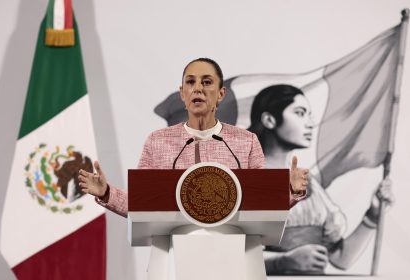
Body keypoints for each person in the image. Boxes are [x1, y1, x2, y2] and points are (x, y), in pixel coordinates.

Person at [78, 58, 309, 217]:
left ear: (220, 94)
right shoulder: (158, 141)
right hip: (176, 255)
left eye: (206, 82)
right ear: (182, 93)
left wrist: (292, 192)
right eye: (190, 82)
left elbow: (263, 205)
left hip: (234, 256)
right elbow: (141, 203)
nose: (197, 88)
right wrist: (107, 193)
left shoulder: (246, 141)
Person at [248, 84, 394, 274]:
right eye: (300, 113)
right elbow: (230, 259)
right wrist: (282, 261)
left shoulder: (306, 183)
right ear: (269, 120)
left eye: (309, 115)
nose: (309, 123)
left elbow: (341, 259)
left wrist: (372, 216)